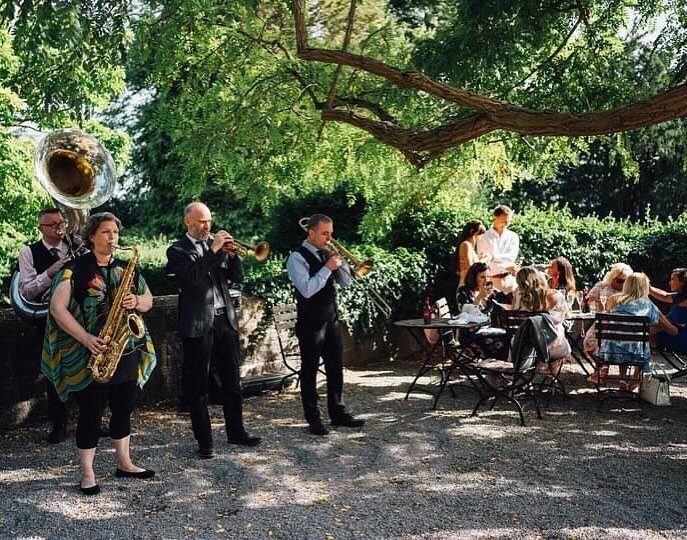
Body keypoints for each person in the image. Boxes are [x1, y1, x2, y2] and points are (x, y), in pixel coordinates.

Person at [41, 212, 157, 495]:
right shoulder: (75, 269)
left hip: (124, 350)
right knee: (91, 413)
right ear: (92, 236)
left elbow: (149, 300)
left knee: (123, 409)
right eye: (106, 232)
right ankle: (88, 473)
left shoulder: (126, 267)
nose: (112, 238)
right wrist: (87, 339)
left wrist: (137, 301)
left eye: (115, 233)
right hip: (90, 351)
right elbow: (57, 309)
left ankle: (125, 462)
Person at [166, 202, 260, 459]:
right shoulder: (176, 250)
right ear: (188, 222)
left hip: (224, 321)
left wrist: (232, 256)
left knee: (232, 381)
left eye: (208, 221)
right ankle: (205, 441)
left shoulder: (214, 249)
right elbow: (193, 279)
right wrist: (214, 249)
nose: (206, 226)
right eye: (201, 221)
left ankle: (236, 432)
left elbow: (237, 277)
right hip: (198, 323)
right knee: (198, 386)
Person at [286, 214, 364, 436]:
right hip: (310, 324)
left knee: (335, 368)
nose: (330, 238)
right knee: (309, 372)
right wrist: (327, 267)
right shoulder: (296, 258)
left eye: (331, 233)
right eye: (325, 234)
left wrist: (340, 265)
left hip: (331, 320)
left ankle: (337, 413)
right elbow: (307, 289)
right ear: (311, 233)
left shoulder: (326, 254)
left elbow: (346, 282)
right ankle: (313, 419)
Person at [17, 208, 71, 443]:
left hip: (79, 316)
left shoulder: (75, 246)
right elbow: (27, 289)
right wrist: (50, 272)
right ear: (41, 229)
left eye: (62, 223)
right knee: (53, 371)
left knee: (87, 368)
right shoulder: (28, 252)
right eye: (52, 225)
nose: (59, 228)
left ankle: (90, 420)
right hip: (47, 319)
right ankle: (59, 424)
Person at [589, 272, 677, 389]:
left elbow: (611, 323)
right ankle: (636, 378)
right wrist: (661, 327)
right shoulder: (648, 306)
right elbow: (673, 331)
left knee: (623, 336)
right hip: (636, 354)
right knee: (639, 338)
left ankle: (622, 378)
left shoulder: (613, 300)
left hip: (609, 351)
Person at [511, 266, 571, 373]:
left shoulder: (519, 297)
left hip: (522, 348)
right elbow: (567, 316)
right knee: (558, 331)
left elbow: (513, 316)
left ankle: (526, 381)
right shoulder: (556, 295)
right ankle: (552, 380)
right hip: (552, 345)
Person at [455, 262, 509, 360]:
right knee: (503, 338)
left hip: (485, 330)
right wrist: (479, 298)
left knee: (509, 335)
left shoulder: (489, 291)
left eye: (488, 276)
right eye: (482, 277)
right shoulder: (464, 291)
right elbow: (465, 313)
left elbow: (507, 300)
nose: (486, 280)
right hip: (469, 333)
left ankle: (498, 368)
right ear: (474, 277)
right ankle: (492, 367)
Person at [476, 205, 519, 293]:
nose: (506, 224)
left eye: (508, 221)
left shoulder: (513, 237)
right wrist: (506, 266)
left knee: (513, 306)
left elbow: (511, 257)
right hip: (490, 281)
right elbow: (484, 263)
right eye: (504, 220)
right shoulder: (483, 237)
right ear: (495, 218)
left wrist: (493, 257)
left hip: (510, 281)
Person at [652, 268, 687, 353]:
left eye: (672, 279)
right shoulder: (679, 297)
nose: (669, 282)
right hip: (673, 333)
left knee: (656, 319)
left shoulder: (684, 300)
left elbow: (664, 296)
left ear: (682, 282)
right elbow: (664, 295)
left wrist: (646, 287)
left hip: (683, 339)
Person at [455, 220, 487, 287]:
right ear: (473, 232)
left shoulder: (470, 246)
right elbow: (470, 267)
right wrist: (483, 261)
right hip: (467, 284)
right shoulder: (465, 245)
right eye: (479, 234)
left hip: (472, 284)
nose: (480, 237)